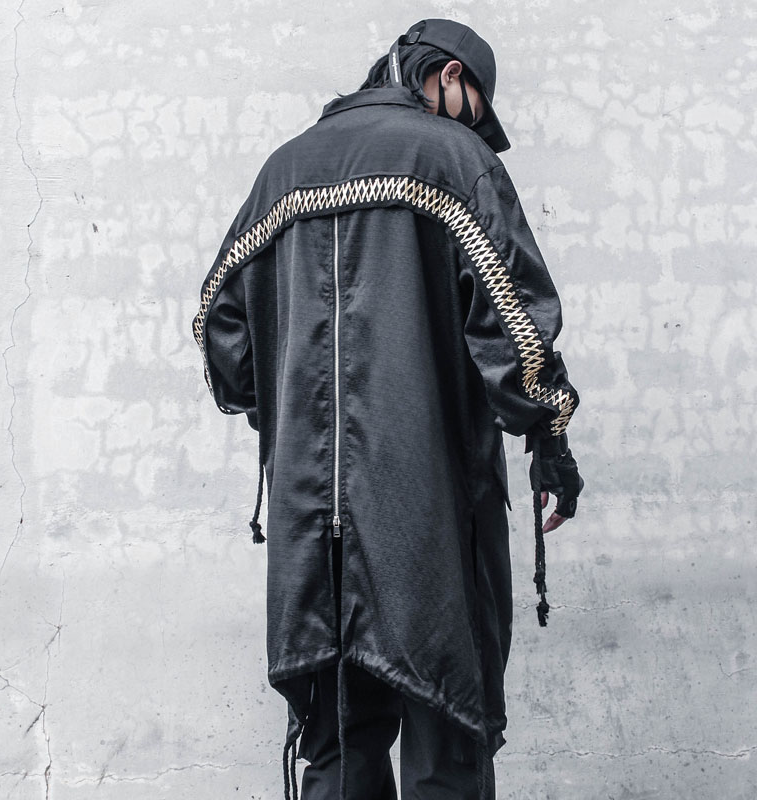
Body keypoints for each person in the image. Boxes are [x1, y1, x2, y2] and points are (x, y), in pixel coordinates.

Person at [191, 18, 584, 800]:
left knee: (338, 747)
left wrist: (285, 416)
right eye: (477, 107)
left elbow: (220, 328)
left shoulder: (283, 170)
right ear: (447, 76)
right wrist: (550, 436)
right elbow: (513, 321)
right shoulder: (452, 159)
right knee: (446, 734)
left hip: (309, 523)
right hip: (426, 507)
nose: (476, 125)